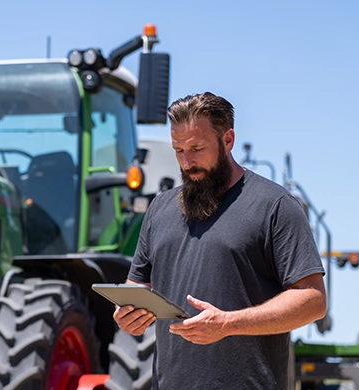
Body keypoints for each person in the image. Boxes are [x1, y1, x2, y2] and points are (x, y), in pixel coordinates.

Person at [113, 92, 327, 389]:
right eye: (178, 151)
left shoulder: (275, 206)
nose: (187, 162)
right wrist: (127, 313)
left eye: (197, 148)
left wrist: (229, 324)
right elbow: (136, 286)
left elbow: (312, 300)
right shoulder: (159, 210)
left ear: (228, 140)